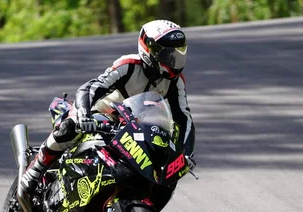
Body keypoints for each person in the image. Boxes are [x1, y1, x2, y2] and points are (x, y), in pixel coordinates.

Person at [21, 19, 196, 193]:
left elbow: (183, 118)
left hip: (135, 127)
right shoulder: (128, 66)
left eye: (177, 53)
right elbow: (90, 88)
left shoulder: (175, 82)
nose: (174, 60)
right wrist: (83, 114)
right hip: (99, 115)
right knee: (70, 126)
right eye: (168, 54)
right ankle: (36, 168)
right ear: (150, 50)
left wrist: (186, 154)